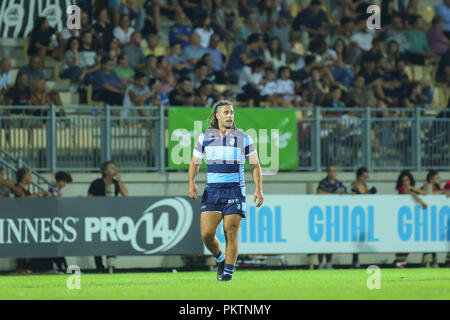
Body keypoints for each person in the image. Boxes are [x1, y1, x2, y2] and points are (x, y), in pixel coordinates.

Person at [188, 100, 264, 281]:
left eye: (232, 112)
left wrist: (259, 190)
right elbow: (194, 162)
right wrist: (191, 182)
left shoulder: (243, 137)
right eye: (226, 112)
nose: (230, 115)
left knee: (230, 231)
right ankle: (221, 259)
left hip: (234, 191)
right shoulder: (204, 137)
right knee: (207, 235)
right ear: (217, 115)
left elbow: (255, 165)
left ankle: (227, 274)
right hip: (212, 191)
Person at [88, 161, 128, 273]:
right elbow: (89, 198)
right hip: (98, 217)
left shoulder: (116, 183)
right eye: (111, 168)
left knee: (111, 240)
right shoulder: (96, 183)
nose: (114, 169)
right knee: (97, 241)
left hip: (111, 217)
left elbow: (126, 194)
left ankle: (111, 264)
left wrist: (119, 180)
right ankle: (99, 266)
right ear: (105, 171)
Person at [13, 167, 52, 274]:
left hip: (27, 220)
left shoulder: (26, 189)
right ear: (24, 177)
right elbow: (24, 200)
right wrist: (39, 194)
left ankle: (26, 267)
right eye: (30, 176)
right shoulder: (17, 188)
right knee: (20, 244)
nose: (31, 178)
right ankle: (21, 268)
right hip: (19, 220)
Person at [315, 165, 347, 270]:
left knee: (330, 240)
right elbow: (319, 193)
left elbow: (344, 193)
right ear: (327, 172)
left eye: (335, 171)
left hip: (333, 214)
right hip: (323, 214)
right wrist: (333, 194)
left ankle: (329, 262)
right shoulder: (323, 183)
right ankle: (320, 263)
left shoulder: (339, 184)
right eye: (331, 171)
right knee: (321, 240)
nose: (333, 173)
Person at [394, 170, 427, 268]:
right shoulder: (401, 189)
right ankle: (398, 261)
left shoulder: (411, 188)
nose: (405, 182)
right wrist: (422, 202)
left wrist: (413, 188)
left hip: (410, 217)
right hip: (401, 217)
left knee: (409, 242)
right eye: (403, 180)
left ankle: (401, 261)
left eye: (407, 180)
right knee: (402, 241)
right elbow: (412, 194)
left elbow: (424, 192)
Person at [49, 171, 73, 272]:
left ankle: (62, 266)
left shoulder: (57, 190)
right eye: (64, 181)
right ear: (59, 181)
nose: (64, 184)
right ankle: (61, 266)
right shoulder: (53, 190)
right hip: (54, 221)